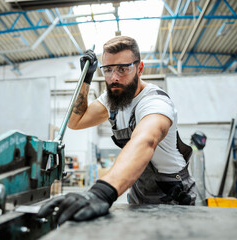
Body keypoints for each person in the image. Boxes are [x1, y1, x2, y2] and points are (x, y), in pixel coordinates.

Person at [38, 36, 196, 225]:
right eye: (108, 70)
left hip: (174, 193)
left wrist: (101, 192)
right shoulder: (113, 97)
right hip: (138, 189)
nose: (114, 78)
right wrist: (86, 79)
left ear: (139, 68)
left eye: (123, 69)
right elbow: (75, 121)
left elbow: (146, 141)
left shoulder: (155, 102)